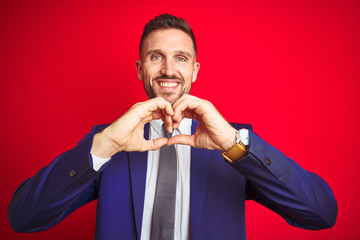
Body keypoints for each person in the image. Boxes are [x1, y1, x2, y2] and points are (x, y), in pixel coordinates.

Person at [8, 14, 337, 240]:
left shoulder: (233, 142)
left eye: (180, 58)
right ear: (140, 69)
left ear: (195, 70)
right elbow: (24, 219)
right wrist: (104, 145)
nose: (169, 69)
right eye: (156, 57)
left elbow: (321, 214)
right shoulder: (109, 141)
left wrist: (236, 145)